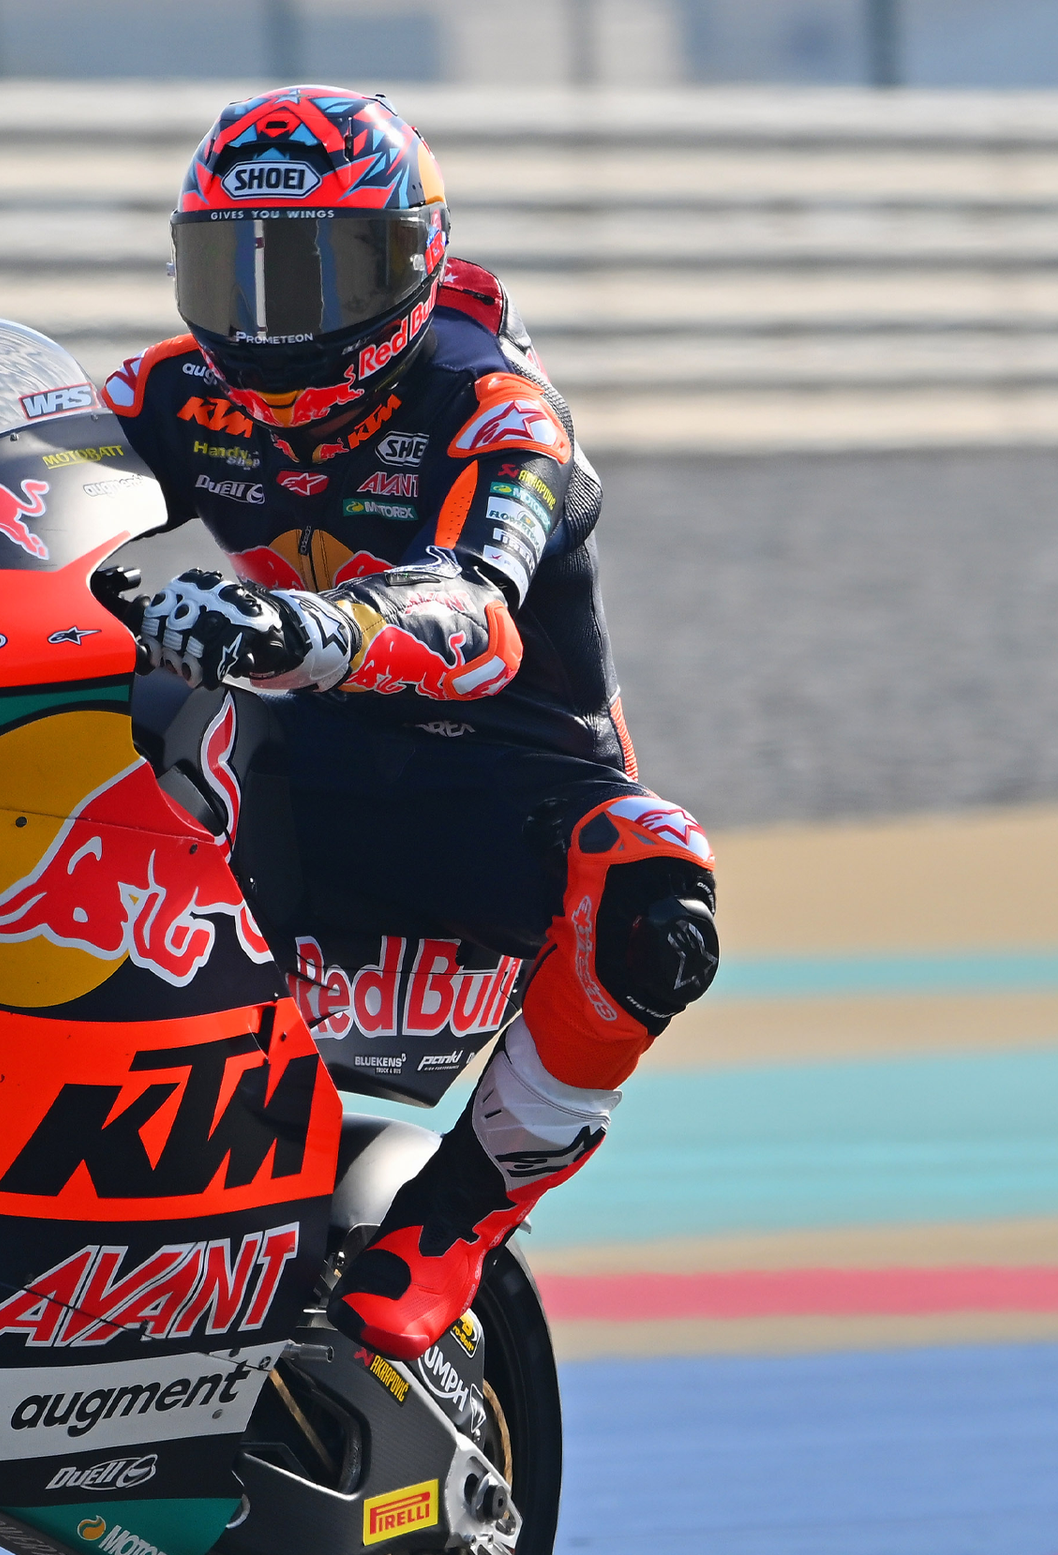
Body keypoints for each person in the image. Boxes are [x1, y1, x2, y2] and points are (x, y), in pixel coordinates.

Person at [100, 87, 720, 1361]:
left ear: (413, 263)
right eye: (235, 272)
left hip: (498, 795)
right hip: (297, 760)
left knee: (658, 890)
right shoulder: (171, 389)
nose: (270, 321)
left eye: (316, 274)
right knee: (110, 716)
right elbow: (3, 479)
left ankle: (454, 1220)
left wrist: (303, 630)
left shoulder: (496, 408)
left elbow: (479, 618)